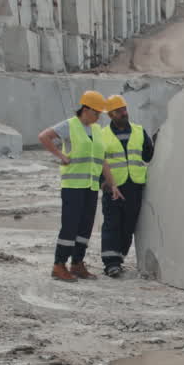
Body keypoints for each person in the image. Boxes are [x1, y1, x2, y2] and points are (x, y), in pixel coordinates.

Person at [37, 90, 124, 282]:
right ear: (85, 109)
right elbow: (44, 136)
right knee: (70, 226)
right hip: (73, 185)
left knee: (85, 227)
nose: (98, 116)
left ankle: (77, 263)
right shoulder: (70, 125)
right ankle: (59, 265)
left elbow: (102, 160)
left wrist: (113, 185)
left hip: (91, 187)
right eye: (96, 113)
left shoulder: (95, 130)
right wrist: (61, 155)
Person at [97, 94, 156, 278]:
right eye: (119, 111)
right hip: (113, 186)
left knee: (129, 225)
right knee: (112, 224)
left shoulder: (139, 131)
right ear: (111, 115)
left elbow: (148, 156)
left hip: (134, 186)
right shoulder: (102, 135)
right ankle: (110, 263)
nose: (124, 113)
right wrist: (104, 183)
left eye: (124, 109)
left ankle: (119, 256)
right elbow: (98, 161)